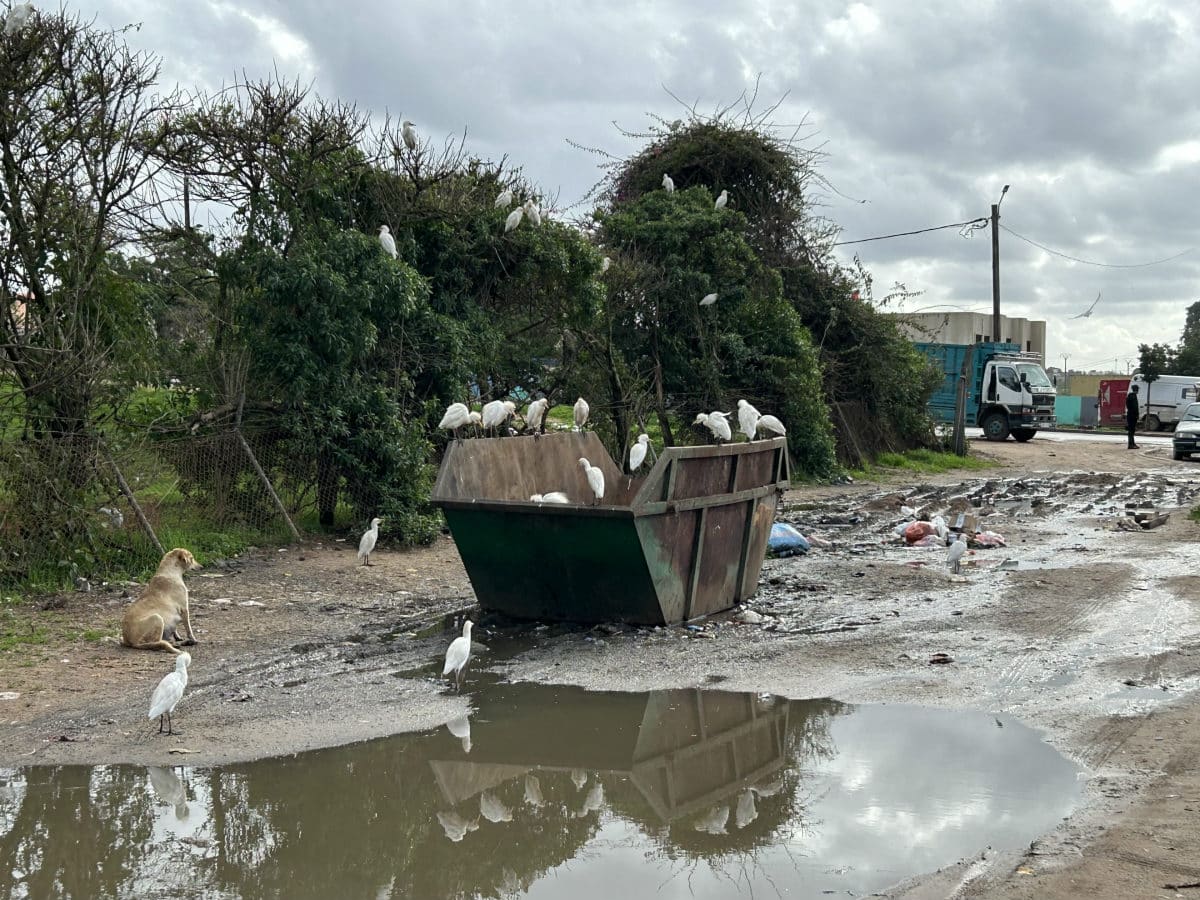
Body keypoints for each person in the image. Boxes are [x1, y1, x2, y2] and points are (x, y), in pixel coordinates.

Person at [1126, 384, 1140, 449]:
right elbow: (1135, 407)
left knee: (1131, 430)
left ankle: (1132, 443)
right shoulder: (1134, 396)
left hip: (1129, 415)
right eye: (1138, 389)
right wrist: (1137, 415)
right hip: (1133, 416)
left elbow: (1127, 405)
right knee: (1132, 430)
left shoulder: (1129, 396)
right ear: (1136, 390)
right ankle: (1131, 444)